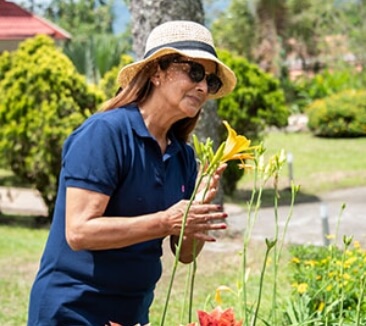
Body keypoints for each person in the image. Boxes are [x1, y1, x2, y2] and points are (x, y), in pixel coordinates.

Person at [28, 20, 237, 326]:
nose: (203, 87)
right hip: (73, 312)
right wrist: (166, 220)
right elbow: (79, 231)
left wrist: (196, 215)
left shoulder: (183, 156)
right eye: (194, 72)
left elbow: (185, 254)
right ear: (156, 72)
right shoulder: (105, 133)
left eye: (211, 81)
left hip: (133, 314)